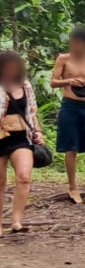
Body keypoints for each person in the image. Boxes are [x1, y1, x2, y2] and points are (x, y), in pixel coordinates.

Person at [50, 26, 85, 203]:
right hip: (70, 106)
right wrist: (69, 81)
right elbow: (53, 82)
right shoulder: (63, 59)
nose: (76, 46)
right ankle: (73, 187)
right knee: (71, 148)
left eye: (80, 43)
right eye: (73, 43)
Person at [0, 50, 43, 234]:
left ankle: (16, 221)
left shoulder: (25, 85)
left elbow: (32, 112)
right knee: (0, 182)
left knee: (24, 177)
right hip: (1, 137)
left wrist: (38, 131)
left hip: (21, 137)